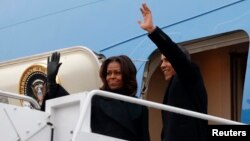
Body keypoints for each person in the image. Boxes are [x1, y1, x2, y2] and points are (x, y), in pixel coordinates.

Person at [138, 3, 208, 141]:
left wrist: (153, 30)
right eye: (161, 61)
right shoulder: (175, 84)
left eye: (167, 60)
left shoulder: (189, 76)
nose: (162, 66)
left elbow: (176, 55)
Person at [42, 52, 150, 141]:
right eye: (108, 73)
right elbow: (72, 109)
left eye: (117, 73)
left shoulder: (140, 106)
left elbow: (144, 137)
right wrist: (52, 83)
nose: (112, 77)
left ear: (127, 75)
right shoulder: (95, 99)